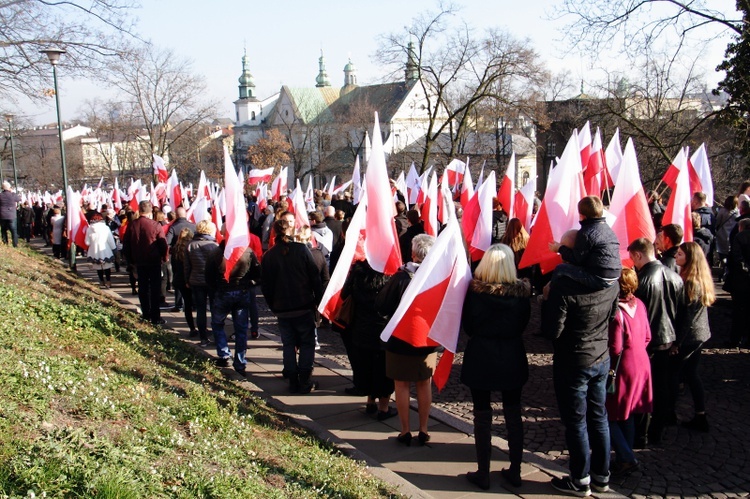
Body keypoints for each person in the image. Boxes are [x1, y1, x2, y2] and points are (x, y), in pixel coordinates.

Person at [542, 254, 620, 497]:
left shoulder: (564, 286)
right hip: (600, 355)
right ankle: (601, 476)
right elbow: (613, 316)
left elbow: (552, 331)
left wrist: (546, 300)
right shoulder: (611, 282)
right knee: (599, 418)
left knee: (577, 421)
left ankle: (580, 479)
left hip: (574, 360)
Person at [461, 244, 531, 489]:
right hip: (512, 355)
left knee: (482, 415)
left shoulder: (474, 294)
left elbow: (468, 326)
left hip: (481, 355)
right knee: (513, 413)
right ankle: (516, 470)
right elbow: (523, 325)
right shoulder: (521, 297)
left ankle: (484, 472)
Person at [375, 234, 437, 446]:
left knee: (401, 384)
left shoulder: (400, 278)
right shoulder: (437, 277)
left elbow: (381, 305)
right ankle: (424, 428)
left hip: (400, 338)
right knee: (424, 382)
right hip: (426, 338)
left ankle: (404, 430)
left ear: (413, 253)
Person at [627, 238, 684, 446]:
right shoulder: (674, 275)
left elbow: (639, 315)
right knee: (661, 386)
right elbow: (681, 312)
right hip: (668, 339)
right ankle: (657, 429)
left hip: (649, 341)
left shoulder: (643, 280)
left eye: (633, 258)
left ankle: (643, 433)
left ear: (638, 255)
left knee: (645, 389)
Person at [261, 215, 323, 394]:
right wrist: (318, 300)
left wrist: (273, 305)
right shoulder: (301, 250)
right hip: (302, 304)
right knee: (306, 343)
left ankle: (293, 380)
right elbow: (314, 277)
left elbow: (266, 286)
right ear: (290, 231)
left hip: (283, 307)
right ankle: (304, 379)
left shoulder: (269, 256)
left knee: (288, 344)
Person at [606, 268, 652, 477]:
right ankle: (625, 456)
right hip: (642, 363)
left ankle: (626, 457)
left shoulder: (616, 312)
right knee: (629, 413)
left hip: (623, 367)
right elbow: (648, 336)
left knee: (609, 415)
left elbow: (615, 348)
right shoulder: (640, 305)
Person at [341, 260, 394, 419]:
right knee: (383, 371)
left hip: (361, 328)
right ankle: (383, 408)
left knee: (367, 366)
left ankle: (370, 402)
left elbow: (344, 294)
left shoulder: (358, 271)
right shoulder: (391, 273)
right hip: (382, 330)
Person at [671, 242, 714, 432]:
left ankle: (673, 413)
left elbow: (686, 318)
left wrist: (676, 343)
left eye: (679, 254)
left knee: (677, 374)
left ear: (689, 258)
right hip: (700, 333)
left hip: (690, 337)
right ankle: (700, 414)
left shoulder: (690, 282)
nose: (675, 257)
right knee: (690, 374)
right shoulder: (698, 279)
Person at [205, 228, 261, 377]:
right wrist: (250, 283)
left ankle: (224, 354)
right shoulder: (247, 251)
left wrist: (216, 289)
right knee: (241, 329)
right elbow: (257, 273)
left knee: (217, 324)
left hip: (223, 292)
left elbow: (208, 276)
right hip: (241, 292)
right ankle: (240, 362)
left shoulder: (216, 253)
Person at [549, 195, 622, 292]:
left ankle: (549, 294)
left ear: (582, 216)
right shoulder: (607, 229)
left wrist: (559, 248)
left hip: (600, 277)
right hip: (615, 275)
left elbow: (576, 259)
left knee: (561, 268)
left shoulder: (586, 233)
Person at [122, 200, 169, 326]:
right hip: (153, 262)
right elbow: (163, 244)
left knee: (143, 288)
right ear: (150, 211)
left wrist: (130, 262)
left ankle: (146, 314)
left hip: (139, 262)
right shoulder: (155, 225)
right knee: (154, 289)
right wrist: (164, 258)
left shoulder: (132, 225)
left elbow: (125, 245)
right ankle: (155, 316)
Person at [185, 220, 219, 347]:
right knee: (215, 309)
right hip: (212, 281)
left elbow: (187, 266)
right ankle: (217, 336)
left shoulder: (190, 245)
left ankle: (203, 338)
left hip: (196, 280)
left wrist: (187, 279)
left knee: (201, 309)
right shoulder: (214, 245)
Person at [165, 207, 196, 312]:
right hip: (192, 256)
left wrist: (173, 249)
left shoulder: (173, 227)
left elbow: (167, 242)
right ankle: (192, 304)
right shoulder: (193, 226)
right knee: (191, 278)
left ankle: (178, 304)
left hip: (178, 257)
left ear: (177, 216)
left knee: (178, 279)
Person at [726, 218, 750, 348]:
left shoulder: (739, 237)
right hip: (743, 279)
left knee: (739, 311)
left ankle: (735, 339)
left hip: (741, 281)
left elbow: (735, 258)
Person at [171, 228, 196, 336]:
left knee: (187, 304)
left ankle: (192, 328)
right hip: (192, 279)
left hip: (180, 279)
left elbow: (174, 266)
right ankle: (201, 328)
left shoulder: (176, 249)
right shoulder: (192, 248)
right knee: (197, 304)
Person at [84, 212, 117, 289]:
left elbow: (87, 242)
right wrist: (114, 249)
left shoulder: (89, 229)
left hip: (94, 250)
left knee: (98, 267)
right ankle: (108, 281)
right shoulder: (106, 228)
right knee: (107, 266)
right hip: (105, 249)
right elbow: (110, 240)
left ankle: (101, 281)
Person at [714, 195, 739, 279]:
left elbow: (717, 223)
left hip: (722, 235)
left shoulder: (722, 211)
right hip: (732, 236)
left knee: (722, 254)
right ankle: (727, 272)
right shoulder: (737, 212)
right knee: (730, 254)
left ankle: (723, 271)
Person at [0, 181, 21, 247]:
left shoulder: (0, 195)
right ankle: (15, 244)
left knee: (3, 230)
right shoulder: (12, 195)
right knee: (14, 230)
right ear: (9, 188)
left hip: (2, 215)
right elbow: (18, 199)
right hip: (12, 215)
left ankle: (5, 242)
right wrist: (12, 192)